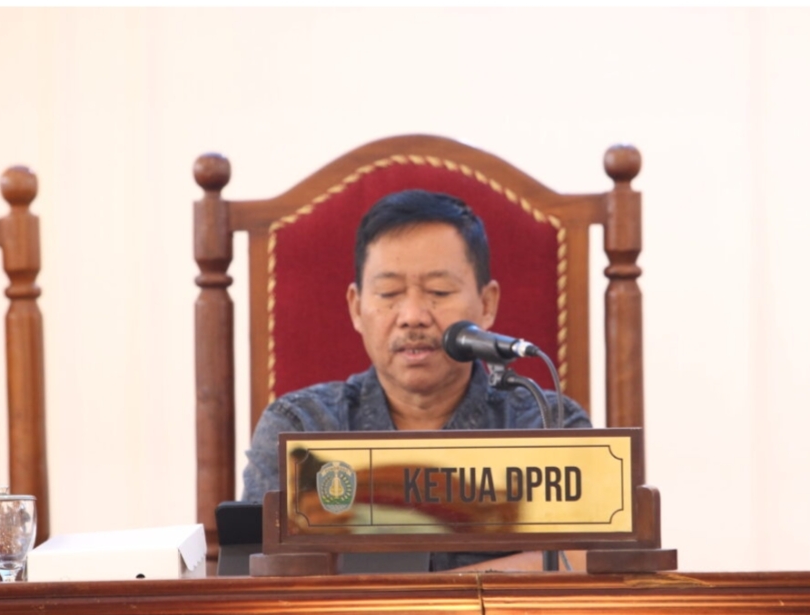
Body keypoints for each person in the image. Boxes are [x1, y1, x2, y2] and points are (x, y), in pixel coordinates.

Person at [242, 189, 591, 571]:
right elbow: (256, 575)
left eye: (439, 291)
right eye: (389, 293)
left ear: (487, 304)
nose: (412, 316)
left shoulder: (547, 424)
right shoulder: (300, 428)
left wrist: (418, 597)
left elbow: (590, 560)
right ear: (356, 308)